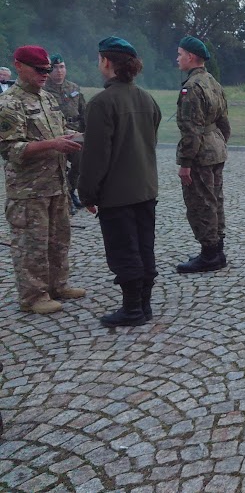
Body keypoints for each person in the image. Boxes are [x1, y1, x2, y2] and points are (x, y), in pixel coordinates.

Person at [78, 37, 161, 327]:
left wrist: (87, 194)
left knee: (124, 251)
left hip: (117, 193)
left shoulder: (101, 103)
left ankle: (133, 309)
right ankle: (144, 305)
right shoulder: (147, 99)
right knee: (144, 247)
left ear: (106, 62)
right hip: (146, 189)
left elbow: (95, 156)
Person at [0, 45, 85, 314]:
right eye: (39, 70)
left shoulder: (47, 99)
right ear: (19, 66)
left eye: (47, 69)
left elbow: (58, 131)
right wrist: (53, 144)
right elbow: (10, 149)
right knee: (31, 244)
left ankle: (58, 285)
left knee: (59, 239)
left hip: (56, 183)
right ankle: (33, 296)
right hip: (29, 189)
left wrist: (74, 137)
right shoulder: (9, 103)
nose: (45, 74)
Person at [175, 36, 230, 274]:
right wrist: (220, 143)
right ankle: (217, 250)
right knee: (215, 200)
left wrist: (185, 163)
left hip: (201, 154)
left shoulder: (191, 87)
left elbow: (191, 129)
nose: (177, 58)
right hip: (215, 148)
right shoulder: (212, 82)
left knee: (201, 202)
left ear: (191, 57)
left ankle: (209, 255)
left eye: (180, 54)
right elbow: (224, 121)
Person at [45, 54, 86, 212]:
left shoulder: (73, 87)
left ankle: (70, 191)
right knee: (58, 168)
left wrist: (87, 132)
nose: (59, 71)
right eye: (55, 68)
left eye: (61, 67)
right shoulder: (43, 89)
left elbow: (83, 110)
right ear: (49, 70)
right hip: (55, 134)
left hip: (75, 132)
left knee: (79, 165)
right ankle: (65, 199)